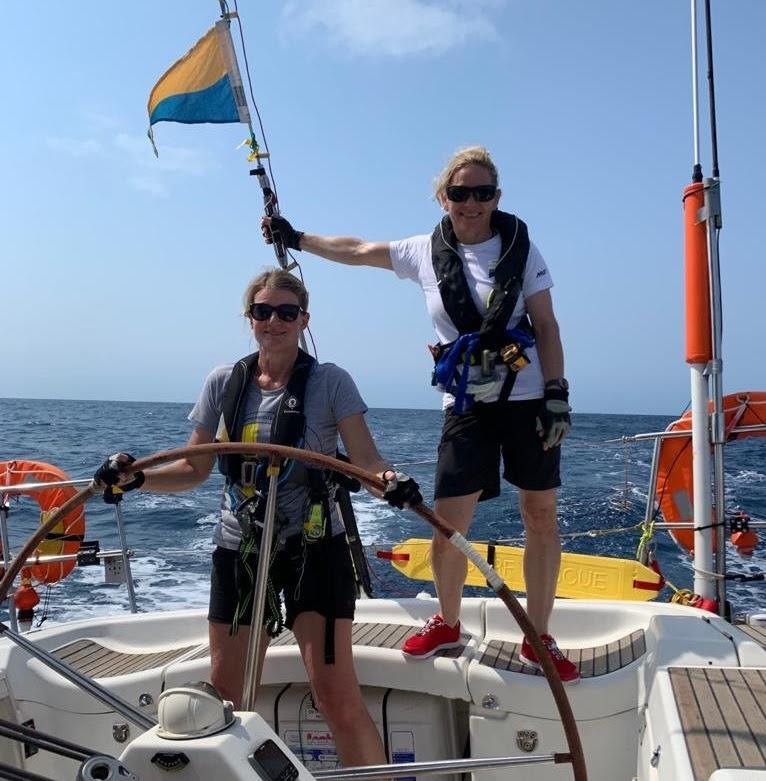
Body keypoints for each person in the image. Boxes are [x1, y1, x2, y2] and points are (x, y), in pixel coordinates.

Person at [261, 145, 578, 683]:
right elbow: (358, 249)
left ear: (497, 197)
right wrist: (296, 240)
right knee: (449, 520)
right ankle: (448, 622)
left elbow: (545, 325)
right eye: (459, 193)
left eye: (482, 193)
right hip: (467, 403)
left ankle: (538, 637)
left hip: (528, 399)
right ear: (443, 197)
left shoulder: (523, 251)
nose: (471, 203)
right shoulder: (422, 252)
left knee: (540, 516)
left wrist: (556, 392)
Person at [94, 269, 422, 769]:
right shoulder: (224, 382)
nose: (274, 321)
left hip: (316, 548)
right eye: (263, 311)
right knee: (228, 701)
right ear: (249, 319)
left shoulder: (331, 381)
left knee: (336, 695)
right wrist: (137, 478)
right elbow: (193, 467)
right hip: (240, 549)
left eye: (286, 313)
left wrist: (391, 480)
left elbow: (366, 461)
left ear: (303, 320)